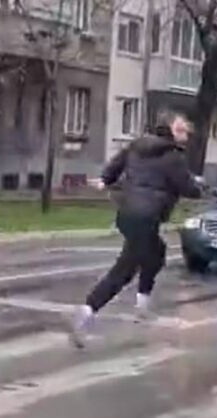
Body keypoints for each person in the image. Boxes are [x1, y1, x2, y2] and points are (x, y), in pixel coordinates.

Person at [69, 111, 203, 349]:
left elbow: (116, 164)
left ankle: (142, 306)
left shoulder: (137, 146)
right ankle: (87, 311)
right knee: (124, 270)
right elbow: (187, 188)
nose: (186, 134)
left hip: (128, 214)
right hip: (146, 217)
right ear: (168, 130)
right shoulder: (173, 157)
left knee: (157, 253)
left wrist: (104, 180)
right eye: (181, 130)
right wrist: (199, 187)